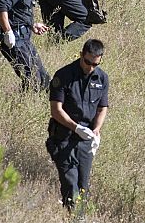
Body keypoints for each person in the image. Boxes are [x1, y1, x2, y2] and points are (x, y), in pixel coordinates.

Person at [46, 38, 109, 211]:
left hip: (85, 140)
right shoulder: (63, 76)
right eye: (87, 62)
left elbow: (102, 108)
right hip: (63, 137)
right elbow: (56, 110)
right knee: (70, 183)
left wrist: (96, 131)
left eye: (95, 64)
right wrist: (76, 127)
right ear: (81, 55)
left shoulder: (102, 78)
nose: (90, 67)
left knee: (83, 186)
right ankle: (72, 216)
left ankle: (78, 220)